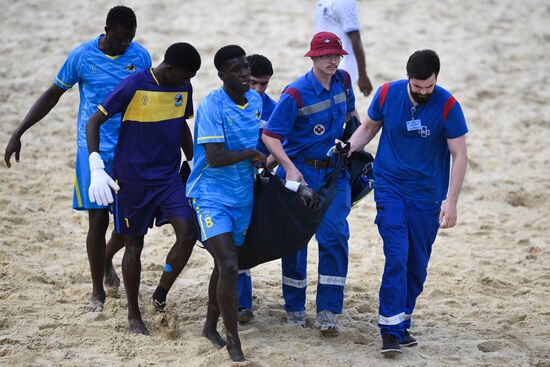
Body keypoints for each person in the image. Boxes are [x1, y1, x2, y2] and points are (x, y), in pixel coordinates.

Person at [3, 6, 151, 311]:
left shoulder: (140, 56)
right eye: (122, 39)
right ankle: (97, 291)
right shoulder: (81, 56)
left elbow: (148, 101)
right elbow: (53, 94)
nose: (126, 45)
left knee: (128, 222)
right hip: (92, 147)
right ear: (107, 29)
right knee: (97, 219)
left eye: (130, 39)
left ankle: (107, 257)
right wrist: (19, 132)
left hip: (129, 147)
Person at [346, 49, 468, 356]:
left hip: (428, 196)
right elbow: (369, 129)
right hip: (390, 188)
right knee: (397, 255)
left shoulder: (448, 105)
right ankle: (389, 330)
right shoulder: (388, 93)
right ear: (408, 78)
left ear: (436, 79)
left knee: (417, 266)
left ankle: (402, 321)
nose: (424, 92)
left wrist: (451, 202)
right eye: (418, 87)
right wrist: (348, 147)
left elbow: (460, 154)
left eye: (429, 87)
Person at [85, 43, 202, 335]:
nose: (188, 82)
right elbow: (94, 121)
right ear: (169, 67)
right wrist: (96, 165)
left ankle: (160, 292)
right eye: (186, 75)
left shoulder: (183, 87)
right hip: (132, 179)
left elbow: (181, 125)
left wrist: (193, 161)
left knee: (188, 232)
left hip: (168, 176)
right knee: (132, 243)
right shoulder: (134, 84)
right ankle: (134, 316)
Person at [262, 32, 356, 336]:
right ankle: (294, 308)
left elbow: (353, 118)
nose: (332, 61)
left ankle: (328, 311)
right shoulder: (295, 93)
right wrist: (289, 168)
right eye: (325, 56)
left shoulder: (344, 81)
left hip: (334, 174)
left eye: (336, 55)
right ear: (313, 57)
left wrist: (352, 145)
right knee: (295, 241)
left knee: (335, 236)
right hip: (300, 174)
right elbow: (271, 136)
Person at [186, 45, 265, 364]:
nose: (244, 73)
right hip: (210, 195)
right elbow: (215, 157)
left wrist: (265, 162)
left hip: (242, 197)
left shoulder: (256, 102)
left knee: (224, 266)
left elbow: (262, 139)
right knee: (230, 264)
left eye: (245, 67)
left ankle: (209, 326)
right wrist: (250, 154)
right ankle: (234, 343)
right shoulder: (211, 106)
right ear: (221, 75)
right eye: (236, 70)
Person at [237, 54, 277, 324]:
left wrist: (265, 166)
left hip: (258, 180)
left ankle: (242, 303)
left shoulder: (273, 108)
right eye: (253, 83)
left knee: (248, 242)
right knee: (234, 243)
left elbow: (280, 145)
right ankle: (240, 304)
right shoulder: (229, 104)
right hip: (229, 180)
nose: (259, 90)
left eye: (263, 84)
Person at [315, 0, 373, 96]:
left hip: (333, 63)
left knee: (338, 104)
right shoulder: (340, 2)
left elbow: (355, 37)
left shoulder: (341, 2)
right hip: (330, 63)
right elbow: (355, 37)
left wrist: (362, 75)